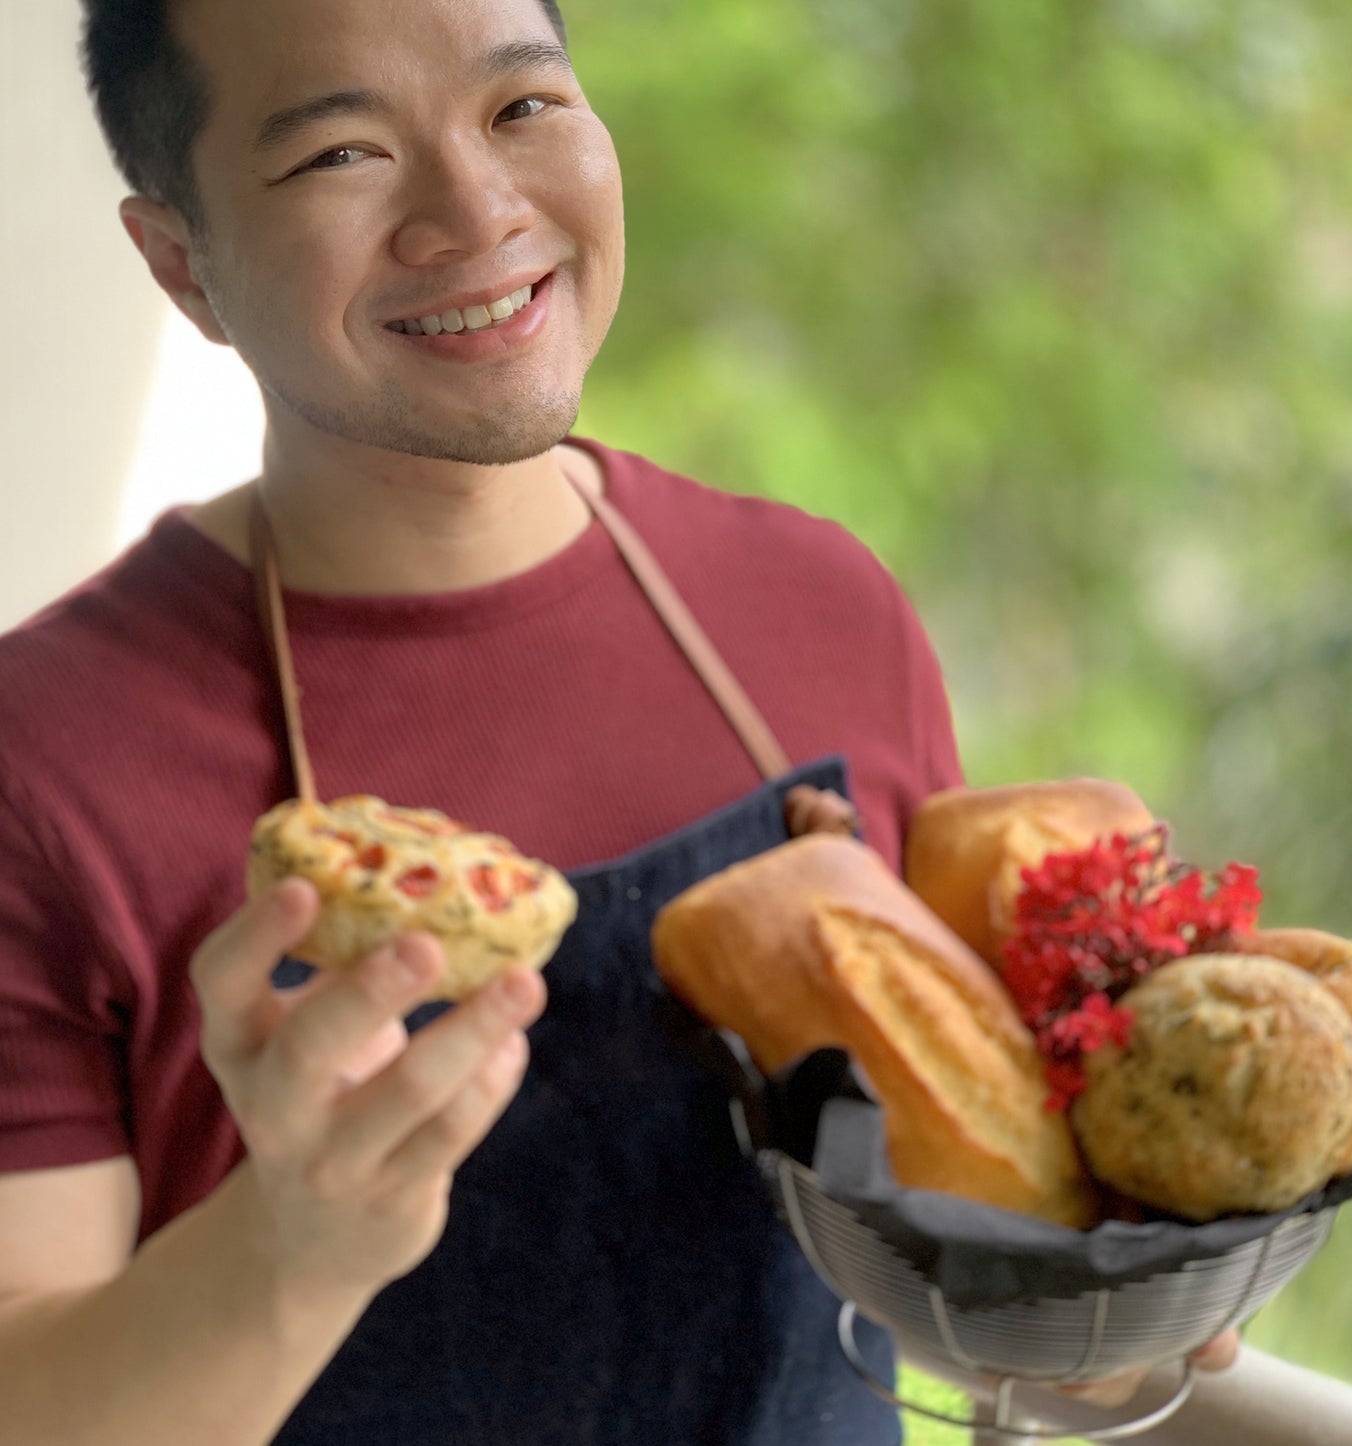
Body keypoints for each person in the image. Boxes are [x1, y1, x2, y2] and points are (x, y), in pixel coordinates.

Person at [0, 1, 1241, 1442]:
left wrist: (1113, 1302)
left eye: (521, 109)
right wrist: (297, 1243)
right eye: (342, 151)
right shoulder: (45, 758)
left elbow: (947, 1249)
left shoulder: (817, 605)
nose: (473, 210)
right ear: (180, 263)